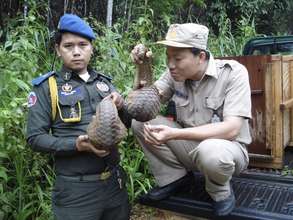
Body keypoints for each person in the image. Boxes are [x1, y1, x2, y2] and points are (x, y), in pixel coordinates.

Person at [131, 23, 251, 216]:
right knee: (140, 122)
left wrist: (175, 134)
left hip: (227, 151)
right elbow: (143, 104)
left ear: (200, 56)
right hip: (189, 146)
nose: (171, 64)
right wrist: (142, 68)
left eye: (178, 58)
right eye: (168, 57)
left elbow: (232, 129)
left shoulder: (233, 73)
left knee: (211, 151)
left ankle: (219, 191)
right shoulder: (174, 74)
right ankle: (174, 178)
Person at [26, 14, 130, 220]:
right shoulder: (48, 87)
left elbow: (125, 125)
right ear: (58, 49)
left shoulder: (105, 84)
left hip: (114, 185)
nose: (76, 52)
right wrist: (76, 145)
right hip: (75, 191)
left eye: (82, 45)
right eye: (68, 46)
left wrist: (122, 107)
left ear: (91, 47)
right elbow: (35, 138)